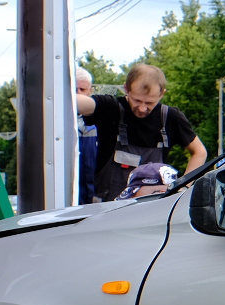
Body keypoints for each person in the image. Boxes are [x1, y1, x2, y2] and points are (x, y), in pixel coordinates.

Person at [75, 63, 206, 202]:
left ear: (162, 94)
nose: (142, 108)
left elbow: (200, 152)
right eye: (137, 100)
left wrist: (182, 188)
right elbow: (77, 102)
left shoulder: (170, 117)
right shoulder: (111, 108)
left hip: (151, 209)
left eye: (149, 103)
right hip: (107, 209)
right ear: (126, 89)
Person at [75, 67, 99, 204]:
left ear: (90, 91)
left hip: (97, 199)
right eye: (74, 89)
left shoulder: (102, 122)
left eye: (82, 90)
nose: (78, 94)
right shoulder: (58, 124)